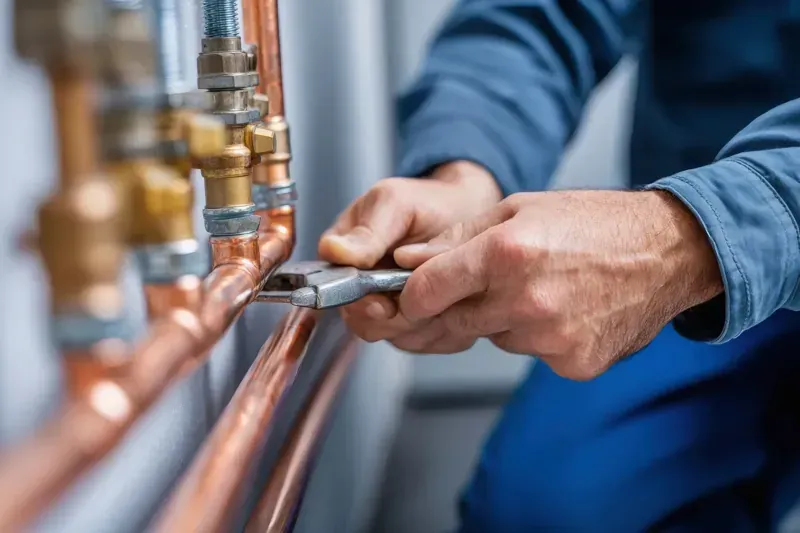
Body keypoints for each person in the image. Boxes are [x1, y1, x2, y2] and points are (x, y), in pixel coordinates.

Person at [320, 1, 800, 531]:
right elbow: (540, 13)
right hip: (702, 290)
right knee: (543, 516)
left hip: (698, 248)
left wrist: (687, 237)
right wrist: (467, 174)